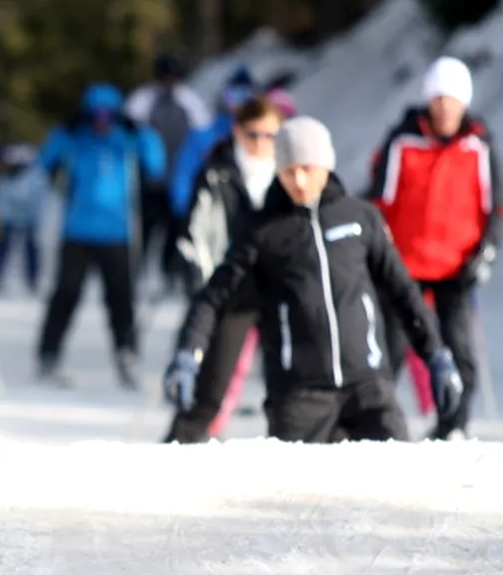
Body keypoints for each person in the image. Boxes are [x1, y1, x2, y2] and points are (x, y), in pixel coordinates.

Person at [163, 117, 463, 443]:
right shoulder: (262, 230)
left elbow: (403, 291)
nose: (300, 180)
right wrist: (187, 356)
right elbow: (213, 298)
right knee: (298, 492)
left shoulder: (360, 218)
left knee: (398, 484)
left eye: (308, 168)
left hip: (369, 387)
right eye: (289, 170)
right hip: (299, 394)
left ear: (326, 165)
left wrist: (436, 355)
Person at [367, 56, 501, 439]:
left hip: (457, 267)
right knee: (390, 349)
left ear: (464, 103)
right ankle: (380, 425)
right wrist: (381, 254)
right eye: (439, 97)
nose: (445, 106)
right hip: (404, 265)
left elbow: (495, 207)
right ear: (428, 99)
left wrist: (484, 253)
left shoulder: (479, 145)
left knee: (458, 348)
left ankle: (452, 425)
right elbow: (379, 203)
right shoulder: (402, 140)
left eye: (453, 99)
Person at [165, 97, 283, 443]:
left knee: (294, 390)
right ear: (238, 131)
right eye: (254, 134)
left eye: (270, 135)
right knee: (212, 387)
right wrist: (202, 276)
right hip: (232, 288)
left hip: (279, 288)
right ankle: (180, 446)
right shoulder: (217, 171)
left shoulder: (290, 171)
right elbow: (195, 229)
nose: (262, 143)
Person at [35, 83, 167, 390]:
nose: (101, 121)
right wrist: (62, 131)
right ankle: (48, 353)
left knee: (121, 298)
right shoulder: (75, 139)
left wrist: (141, 132)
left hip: (117, 232)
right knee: (66, 293)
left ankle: (127, 353)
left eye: (108, 114)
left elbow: (156, 165)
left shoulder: (126, 141)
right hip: (77, 231)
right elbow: (44, 162)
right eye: (95, 114)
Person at [124, 51, 212, 287]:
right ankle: (136, 273)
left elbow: (203, 133)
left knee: (174, 232)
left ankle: (170, 275)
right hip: (149, 181)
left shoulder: (188, 100)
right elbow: (128, 122)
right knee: (146, 230)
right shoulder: (145, 98)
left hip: (178, 182)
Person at [168, 65, 257, 220]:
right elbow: (183, 174)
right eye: (235, 95)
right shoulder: (205, 136)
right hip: (210, 217)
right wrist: (186, 211)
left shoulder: (263, 136)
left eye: (245, 96)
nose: (240, 104)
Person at [0, 142, 49, 294]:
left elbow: (40, 201)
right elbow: (0, 202)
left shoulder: (35, 178)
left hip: (30, 220)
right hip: (9, 220)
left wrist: (33, 217)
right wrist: (5, 216)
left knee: (31, 249)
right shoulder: (2, 180)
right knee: (2, 247)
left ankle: (33, 280)